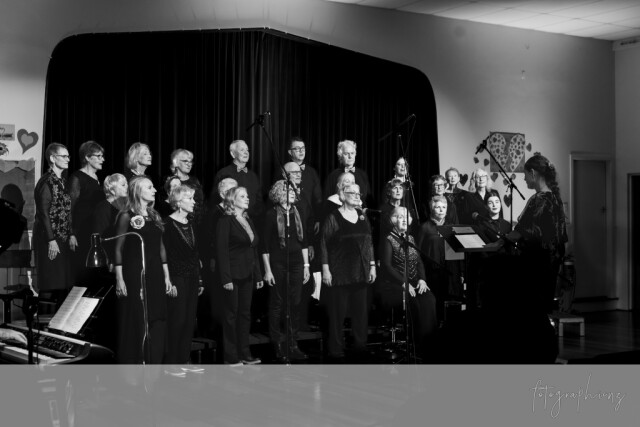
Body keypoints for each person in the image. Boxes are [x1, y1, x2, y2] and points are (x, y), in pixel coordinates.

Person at [492, 153, 568, 314]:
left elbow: (519, 231)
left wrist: (498, 243)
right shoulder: (556, 198)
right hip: (552, 262)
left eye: (525, 175)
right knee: (543, 307)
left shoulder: (538, 199)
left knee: (530, 305)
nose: (524, 179)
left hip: (536, 262)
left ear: (533, 173)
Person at [113, 176, 173, 364]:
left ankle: (153, 359)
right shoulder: (126, 216)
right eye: (149, 187)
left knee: (156, 316)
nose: (154, 190)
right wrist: (119, 279)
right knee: (138, 316)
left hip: (155, 271)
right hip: (135, 271)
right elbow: (118, 248)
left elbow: (161, 247)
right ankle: (135, 361)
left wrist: (166, 276)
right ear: (138, 191)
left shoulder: (154, 215)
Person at [320, 183, 376, 361]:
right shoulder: (333, 217)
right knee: (337, 314)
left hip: (361, 271)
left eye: (359, 193)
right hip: (340, 272)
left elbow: (369, 242)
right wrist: (325, 269)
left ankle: (360, 346)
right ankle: (336, 349)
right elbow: (323, 244)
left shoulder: (362, 216)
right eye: (353, 193)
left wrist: (372, 265)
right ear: (343, 195)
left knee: (361, 313)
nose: (357, 196)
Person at [261, 180, 311, 362]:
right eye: (288, 190)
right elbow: (265, 246)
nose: (292, 192)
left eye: (293, 190)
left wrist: (306, 266)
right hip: (277, 262)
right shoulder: (270, 214)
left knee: (295, 302)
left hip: (297, 261)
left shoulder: (298, 212)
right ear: (279, 193)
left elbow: (304, 241)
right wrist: (267, 270)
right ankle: (277, 342)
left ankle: (292, 343)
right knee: (277, 302)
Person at [378, 207, 437, 358]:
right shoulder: (387, 239)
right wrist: (404, 282)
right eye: (399, 217)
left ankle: (429, 343)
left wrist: (422, 280)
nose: (404, 219)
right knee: (414, 303)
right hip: (393, 283)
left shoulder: (410, 238)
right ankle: (416, 345)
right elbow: (387, 266)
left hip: (414, 281)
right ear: (392, 220)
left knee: (429, 299)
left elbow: (419, 262)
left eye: (406, 217)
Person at [216, 186, 264, 365]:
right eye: (242, 196)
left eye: (247, 195)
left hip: (248, 274)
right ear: (232, 200)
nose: (247, 198)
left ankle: (245, 353)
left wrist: (258, 275)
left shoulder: (247, 219)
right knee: (231, 315)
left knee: (245, 315)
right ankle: (231, 356)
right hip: (232, 275)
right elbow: (222, 251)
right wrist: (226, 278)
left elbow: (253, 249)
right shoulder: (225, 221)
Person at [163, 184, 205, 373]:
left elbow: (196, 253)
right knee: (177, 319)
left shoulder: (192, 223)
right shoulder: (167, 224)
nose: (193, 202)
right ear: (179, 202)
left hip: (192, 276)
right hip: (176, 277)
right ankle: (171, 362)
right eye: (189, 198)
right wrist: (169, 281)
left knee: (189, 320)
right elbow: (165, 255)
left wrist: (200, 279)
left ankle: (184, 359)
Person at [33, 143, 75, 307]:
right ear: (52, 158)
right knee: (50, 283)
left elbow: (66, 210)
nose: (67, 159)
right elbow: (43, 213)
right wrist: (51, 240)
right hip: (49, 239)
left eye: (68, 156)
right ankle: (43, 321)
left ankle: (58, 321)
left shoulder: (61, 181)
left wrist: (71, 234)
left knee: (61, 283)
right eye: (63, 156)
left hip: (62, 239)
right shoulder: (46, 182)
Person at [417, 195, 463, 320]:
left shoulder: (451, 227)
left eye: (444, 207)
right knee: (435, 302)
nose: (441, 210)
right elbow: (418, 251)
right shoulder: (425, 227)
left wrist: (461, 272)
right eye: (438, 207)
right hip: (432, 271)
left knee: (451, 302)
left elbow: (458, 251)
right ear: (432, 209)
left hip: (450, 272)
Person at [69, 141, 106, 282]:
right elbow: (69, 208)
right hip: (81, 232)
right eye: (99, 156)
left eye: (102, 156)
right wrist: (71, 234)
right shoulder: (77, 178)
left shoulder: (96, 179)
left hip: (93, 231)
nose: (102, 159)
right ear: (87, 158)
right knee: (83, 272)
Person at [213, 140, 264, 220]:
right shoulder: (223, 173)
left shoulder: (253, 175)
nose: (246, 152)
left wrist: (252, 215)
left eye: (247, 150)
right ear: (233, 154)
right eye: (242, 150)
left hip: (252, 220)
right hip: (231, 219)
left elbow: (259, 200)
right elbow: (217, 199)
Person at [288, 137, 322, 235]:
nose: (301, 151)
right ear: (290, 152)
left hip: (309, 220)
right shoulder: (284, 170)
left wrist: (318, 219)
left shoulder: (312, 172)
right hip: (290, 219)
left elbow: (318, 198)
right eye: (297, 148)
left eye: (303, 148)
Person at [323, 140, 372, 208]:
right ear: (340, 156)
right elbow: (327, 201)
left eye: (352, 153)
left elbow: (368, 199)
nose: (350, 156)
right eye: (346, 154)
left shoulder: (363, 175)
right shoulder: (333, 176)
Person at [168, 149, 204, 228]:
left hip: (199, 221)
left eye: (190, 161)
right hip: (182, 222)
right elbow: (172, 204)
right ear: (176, 162)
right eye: (185, 161)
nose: (189, 164)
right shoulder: (172, 181)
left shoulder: (194, 180)